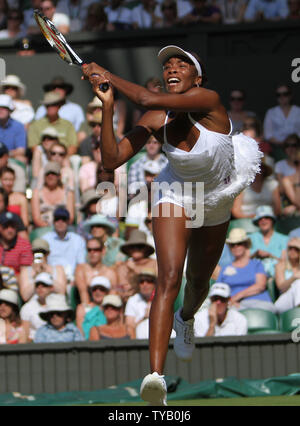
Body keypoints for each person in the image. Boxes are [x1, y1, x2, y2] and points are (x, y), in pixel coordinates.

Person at [82, 44, 262, 406]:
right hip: (176, 192)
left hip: (217, 195)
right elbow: (112, 159)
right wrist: (107, 107)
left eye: (182, 64)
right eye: (167, 66)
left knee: (198, 281)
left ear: (198, 79)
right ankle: (156, 379)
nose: (172, 68)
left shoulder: (208, 99)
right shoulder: (155, 117)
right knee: (168, 276)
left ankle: (186, 317)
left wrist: (104, 71)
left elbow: (147, 97)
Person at [217, 228, 276, 312]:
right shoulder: (225, 269)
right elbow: (218, 291)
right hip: (234, 306)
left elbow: (260, 286)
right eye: (232, 244)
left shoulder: (257, 264)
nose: (236, 247)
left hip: (259, 302)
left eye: (239, 243)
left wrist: (236, 297)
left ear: (246, 245)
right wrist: (229, 302)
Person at [42, 207, 86, 282]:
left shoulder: (78, 240)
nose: (60, 222)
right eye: (57, 219)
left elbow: (81, 264)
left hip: (72, 279)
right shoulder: (45, 239)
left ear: (68, 222)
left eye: (63, 219)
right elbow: (42, 262)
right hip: (50, 277)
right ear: (53, 221)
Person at [27, 91, 78, 156]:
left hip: (64, 157)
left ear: (59, 106)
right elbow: (34, 147)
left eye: (54, 104)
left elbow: (73, 146)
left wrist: (62, 158)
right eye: (48, 105)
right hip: (43, 159)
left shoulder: (68, 125)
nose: (50, 107)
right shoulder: (35, 125)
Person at [19, 238, 67, 302]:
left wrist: (46, 273)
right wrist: (37, 275)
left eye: (42, 252)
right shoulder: (25, 271)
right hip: (34, 305)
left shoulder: (58, 269)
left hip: (55, 303)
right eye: (36, 252)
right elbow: (25, 296)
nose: (39, 255)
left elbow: (62, 292)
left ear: (48, 253)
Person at [74, 236, 117, 304]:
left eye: (96, 250)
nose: (92, 252)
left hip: (106, 308)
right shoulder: (81, 269)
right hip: (88, 307)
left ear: (103, 251)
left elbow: (112, 296)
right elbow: (83, 294)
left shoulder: (110, 273)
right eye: (89, 250)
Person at [31, 161, 75, 228]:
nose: (50, 176)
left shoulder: (68, 193)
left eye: (53, 173)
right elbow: (36, 219)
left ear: (59, 176)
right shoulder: (36, 193)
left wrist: (60, 228)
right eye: (48, 174)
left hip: (64, 228)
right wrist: (49, 229)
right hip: (43, 228)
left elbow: (70, 218)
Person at [263, 83, 300, 162]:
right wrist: (283, 143)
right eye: (279, 95)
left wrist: (293, 144)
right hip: (278, 149)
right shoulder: (271, 112)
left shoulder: (298, 111)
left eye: (285, 94)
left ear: (290, 95)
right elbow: (268, 134)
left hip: (297, 147)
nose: (282, 97)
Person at [249, 205, 289, 277]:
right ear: (257, 222)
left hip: (278, 274)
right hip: (253, 274)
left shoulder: (284, 239)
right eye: (260, 219)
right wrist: (255, 254)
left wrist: (270, 255)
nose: (263, 220)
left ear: (272, 220)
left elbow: (284, 262)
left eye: (267, 218)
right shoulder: (250, 238)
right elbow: (243, 261)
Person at [116, 230, 157, 298]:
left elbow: (158, 285)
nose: (135, 249)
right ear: (128, 249)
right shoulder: (123, 267)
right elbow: (121, 290)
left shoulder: (155, 264)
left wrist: (135, 269)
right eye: (132, 246)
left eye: (139, 246)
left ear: (146, 248)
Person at [20, 272, 54, 342]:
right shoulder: (27, 307)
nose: (40, 288)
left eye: (44, 285)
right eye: (37, 285)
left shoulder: (59, 305)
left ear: (51, 288)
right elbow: (25, 334)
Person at [124, 269, 157, 339]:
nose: (145, 284)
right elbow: (129, 327)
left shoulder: (162, 300)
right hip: (140, 341)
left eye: (149, 281)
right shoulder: (132, 300)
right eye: (141, 282)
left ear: (155, 284)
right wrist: (144, 317)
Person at [0, 211, 33, 276]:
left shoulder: (24, 245)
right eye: (6, 226)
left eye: (13, 226)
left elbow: (25, 274)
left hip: (15, 282)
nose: (10, 230)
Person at [274, 237, 300, 313]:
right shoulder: (280, 265)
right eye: (290, 248)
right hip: (284, 300)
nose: (292, 251)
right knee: (298, 283)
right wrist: (294, 277)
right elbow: (281, 288)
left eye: (296, 249)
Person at [0, 94, 27, 164]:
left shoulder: (18, 126)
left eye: (4, 108)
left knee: (21, 159)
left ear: (10, 110)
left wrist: (4, 155)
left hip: (10, 158)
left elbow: (21, 150)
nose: (1, 110)